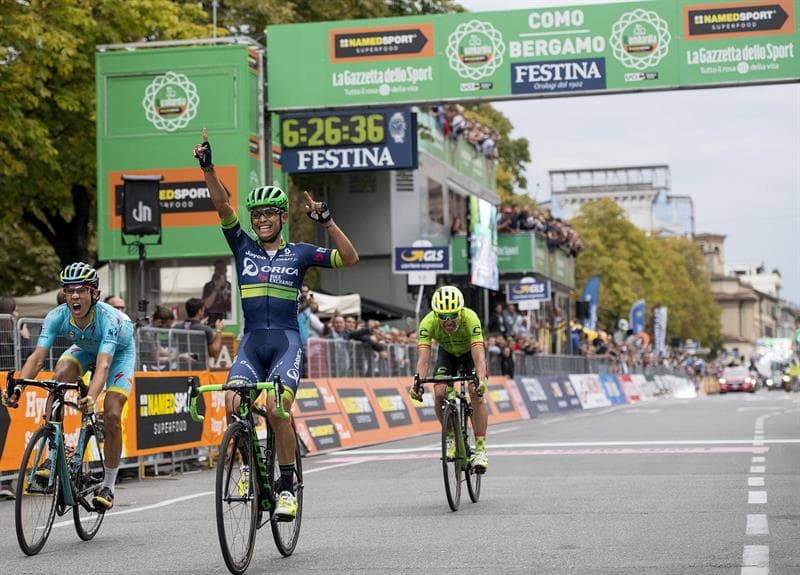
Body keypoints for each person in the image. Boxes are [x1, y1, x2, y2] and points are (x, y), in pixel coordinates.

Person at [193, 128, 358, 520]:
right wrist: (207, 167)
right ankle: (250, 467)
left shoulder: (299, 253)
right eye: (257, 214)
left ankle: (286, 487)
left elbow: (349, 259)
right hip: (251, 342)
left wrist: (327, 221)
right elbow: (221, 204)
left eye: (269, 213)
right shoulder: (243, 245)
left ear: (283, 217)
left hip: (285, 343)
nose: (262, 219)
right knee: (235, 402)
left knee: (277, 409)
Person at [2, 262, 135, 510]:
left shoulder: (109, 319)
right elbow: (37, 358)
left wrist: (92, 396)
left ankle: (108, 485)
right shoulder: (56, 316)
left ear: (94, 294)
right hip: (85, 348)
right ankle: (52, 455)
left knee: (113, 413)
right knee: (59, 375)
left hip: (118, 355)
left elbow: (104, 365)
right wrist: (18, 388)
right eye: (69, 290)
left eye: (82, 290)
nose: (74, 296)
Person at [410, 285, 489, 472]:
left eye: (453, 315)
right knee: (440, 392)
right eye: (443, 316)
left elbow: (479, 354)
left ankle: (480, 450)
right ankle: (451, 437)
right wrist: (418, 382)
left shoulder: (471, 318)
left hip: (470, 355)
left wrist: (481, 379)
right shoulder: (427, 322)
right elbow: (424, 358)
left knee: (475, 393)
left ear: (460, 311)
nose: (449, 320)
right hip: (447, 355)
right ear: (436, 314)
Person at [180, 297, 224, 365]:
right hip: (200, 369)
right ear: (199, 311)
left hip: (181, 369)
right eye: (203, 310)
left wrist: (200, 325)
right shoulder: (205, 329)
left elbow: (189, 327)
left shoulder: (177, 327)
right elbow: (214, 352)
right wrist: (219, 330)